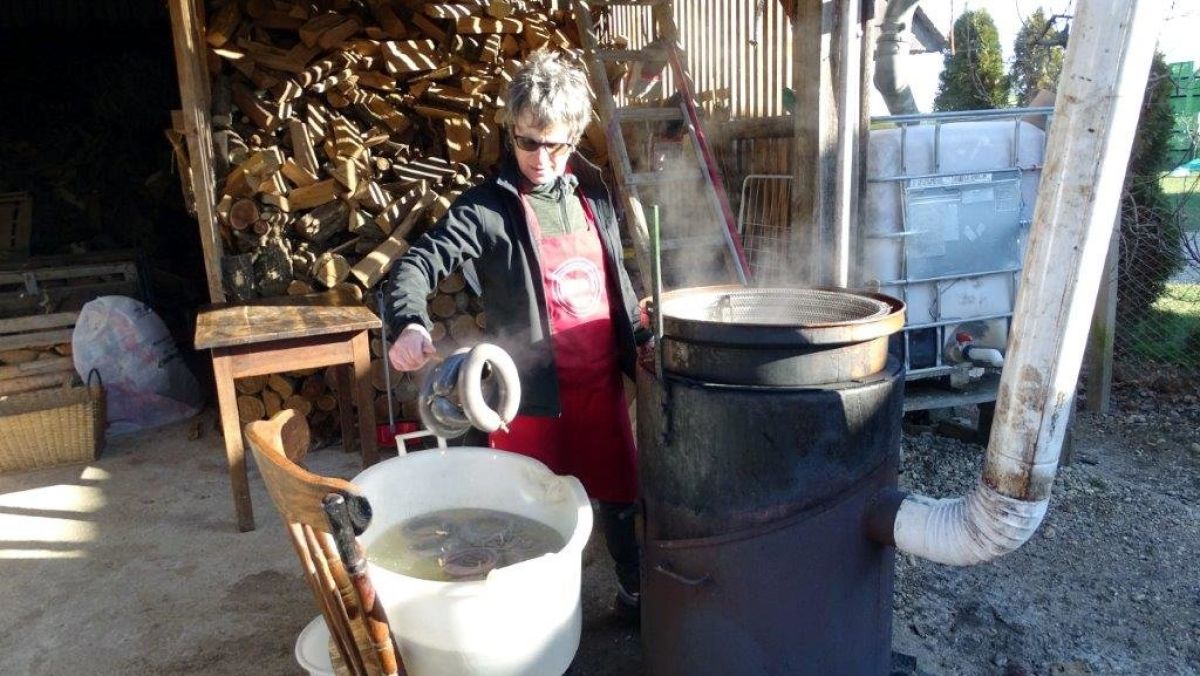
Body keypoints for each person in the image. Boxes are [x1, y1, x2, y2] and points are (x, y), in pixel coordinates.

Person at [385, 49, 648, 620]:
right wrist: (408, 322)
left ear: (573, 137)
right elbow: (415, 265)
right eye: (528, 142)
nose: (540, 158)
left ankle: (634, 597)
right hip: (528, 400)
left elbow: (616, 284)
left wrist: (640, 339)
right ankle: (530, 624)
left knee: (622, 501)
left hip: (601, 392)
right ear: (512, 133)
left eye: (554, 144)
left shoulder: (593, 195)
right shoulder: (488, 210)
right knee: (528, 519)